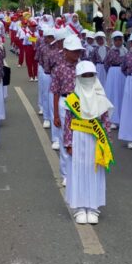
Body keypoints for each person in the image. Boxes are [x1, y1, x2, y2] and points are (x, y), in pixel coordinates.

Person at [64, 61, 114, 225]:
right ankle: (79, 207)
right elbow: (68, 122)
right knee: (78, 169)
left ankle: (93, 208)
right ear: (78, 77)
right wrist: (68, 142)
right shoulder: (73, 99)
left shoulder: (101, 98)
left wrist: (106, 143)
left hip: (95, 139)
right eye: (84, 76)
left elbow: (106, 122)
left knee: (94, 170)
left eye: (90, 75)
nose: (87, 78)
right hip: (78, 137)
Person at [51, 36, 83, 187]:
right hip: (65, 102)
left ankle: (79, 170)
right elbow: (55, 92)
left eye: (78, 51)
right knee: (66, 139)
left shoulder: (83, 67)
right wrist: (56, 115)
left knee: (80, 138)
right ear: (65, 51)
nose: (76, 53)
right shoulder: (59, 69)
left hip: (81, 105)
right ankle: (65, 173)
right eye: (73, 51)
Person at [103, 31, 127, 130]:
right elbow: (106, 64)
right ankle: (112, 119)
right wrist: (111, 73)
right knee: (112, 95)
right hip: (112, 73)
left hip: (122, 74)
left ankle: (122, 118)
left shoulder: (126, 51)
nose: (118, 42)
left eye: (119, 40)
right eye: (116, 40)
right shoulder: (110, 51)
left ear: (122, 40)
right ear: (113, 41)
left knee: (121, 95)